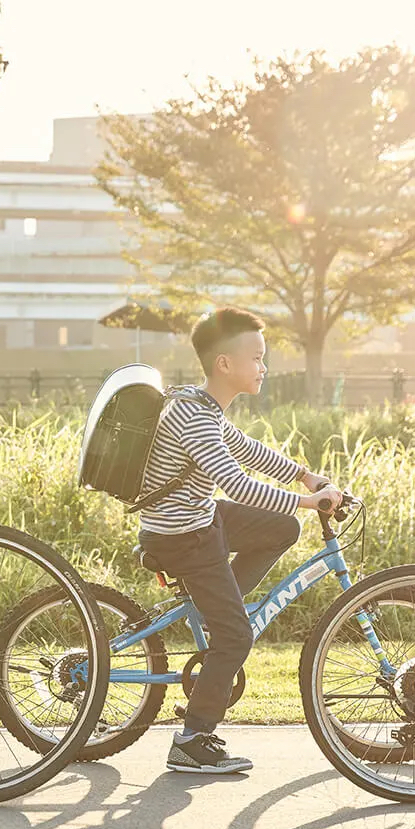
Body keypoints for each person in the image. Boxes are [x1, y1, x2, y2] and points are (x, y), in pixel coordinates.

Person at [135, 307, 348, 774]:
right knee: (236, 637)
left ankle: (216, 608)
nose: (263, 367)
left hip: (197, 519)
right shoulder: (194, 416)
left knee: (282, 528)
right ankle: (192, 740)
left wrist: (306, 476)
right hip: (184, 536)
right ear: (224, 363)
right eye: (256, 358)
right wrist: (310, 502)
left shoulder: (201, 405)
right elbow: (237, 484)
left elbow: (247, 450)